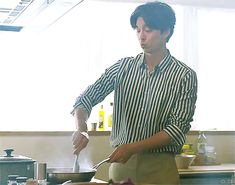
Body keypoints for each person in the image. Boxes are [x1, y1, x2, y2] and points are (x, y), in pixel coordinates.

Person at [71, 1, 197, 184]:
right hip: (122, 167)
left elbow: (176, 129)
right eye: (138, 30)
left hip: (160, 170)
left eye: (148, 30)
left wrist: (132, 147)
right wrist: (82, 129)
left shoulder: (184, 76)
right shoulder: (122, 67)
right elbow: (85, 99)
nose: (141, 36)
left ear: (166, 32)